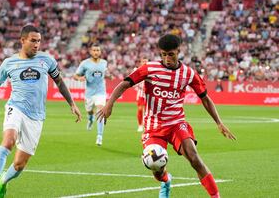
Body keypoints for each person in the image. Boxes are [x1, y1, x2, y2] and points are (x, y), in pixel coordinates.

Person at [97, 34, 236, 198]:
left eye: (171, 54)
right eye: (163, 54)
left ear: (178, 51)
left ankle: (215, 196)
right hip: (153, 128)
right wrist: (109, 103)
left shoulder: (188, 74)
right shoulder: (149, 69)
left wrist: (219, 122)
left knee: (194, 158)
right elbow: (124, 84)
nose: (167, 58)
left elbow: (205, 98)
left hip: (177, 124)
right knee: (156, 168)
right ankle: (166, 179)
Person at [0, 25, 82, 198]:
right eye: (33, 41)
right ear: (22, 40)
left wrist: (71, 103)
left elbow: (59, 82)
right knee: (8, 142)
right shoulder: (9, 63)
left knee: (20, 164)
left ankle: (3, 183)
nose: (37, 45)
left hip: (36, 117)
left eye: (39, 41)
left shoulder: (47, 60)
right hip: (16, 107)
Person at [73, 44, 110, 146]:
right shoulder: (85, 63)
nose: (96, 52)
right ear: (90, 51)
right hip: (89, 93)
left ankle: (99, 136)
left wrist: (109, 75)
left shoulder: (104, 63)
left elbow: (105, 72)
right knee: (90, 111)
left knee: (100, 111)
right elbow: (75, 75)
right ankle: (90, 119)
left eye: (98, 50)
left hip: (101, 92)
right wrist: (79, 78)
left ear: (100, 52)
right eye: (94, 50)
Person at [134, 57, 148, 132]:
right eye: (143, 61)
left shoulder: (151, 71)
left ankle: (147, 125)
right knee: (140, 109)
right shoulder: (137, 71)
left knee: (148, 111)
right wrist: (138, 86)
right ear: (141, 63)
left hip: (149, 95)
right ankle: (140, 125)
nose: (145, 63)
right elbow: (133, 83)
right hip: (141, 94)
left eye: (146, 61)